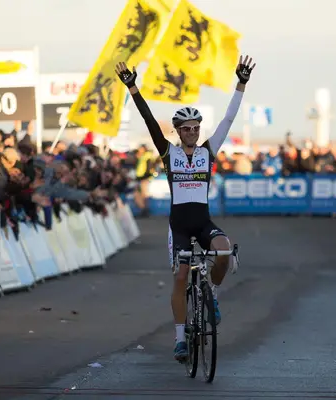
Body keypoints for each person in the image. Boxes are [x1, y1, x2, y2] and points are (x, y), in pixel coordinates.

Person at [115, 55, 255, 362]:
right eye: (187, 129)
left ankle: (212, 296)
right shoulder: (169, 154)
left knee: (223, 249)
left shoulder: (208, 151)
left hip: (203, 222)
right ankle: (180, 339)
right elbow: (151, 122)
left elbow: (228, 120)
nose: (192, 132)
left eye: (196, 128)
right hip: (179, 226)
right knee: (181, 277)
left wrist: (241, 84)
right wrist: (133, 88)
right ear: (179, 131)